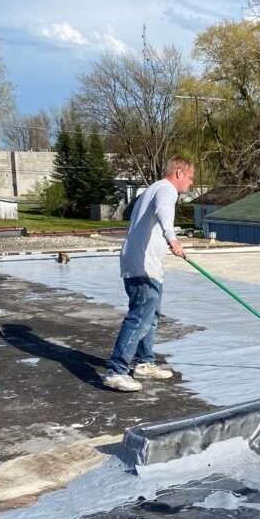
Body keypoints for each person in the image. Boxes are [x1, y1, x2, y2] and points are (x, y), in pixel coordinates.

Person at [103, 156, 193, 392]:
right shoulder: (166, 190)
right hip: (143, 266)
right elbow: (164, 212)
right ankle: (116, 371)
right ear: (179, 173)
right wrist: (172, 239)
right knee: (140, 317)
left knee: (150, 316)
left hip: (144, 264)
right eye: (190, 178)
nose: (190, 184)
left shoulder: (152, 189)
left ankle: (144, 362)